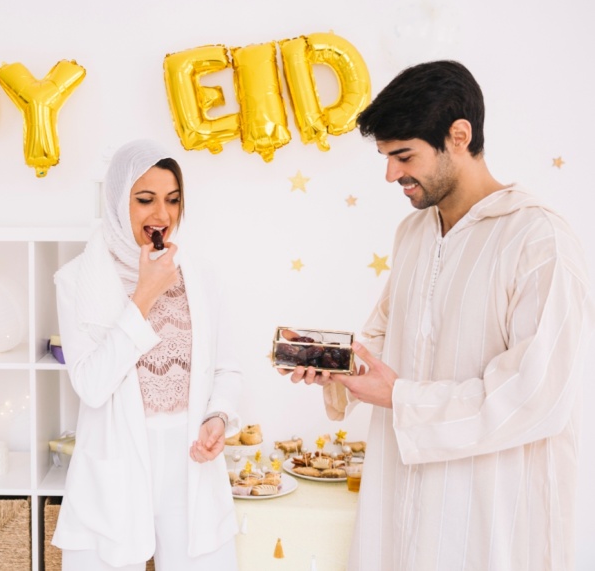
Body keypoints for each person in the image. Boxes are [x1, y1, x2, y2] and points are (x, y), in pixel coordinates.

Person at [284, 61, 594, 570]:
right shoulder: (414, 234)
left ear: (459, 136)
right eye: (386, 157)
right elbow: (384, 338)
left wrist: (402, 397)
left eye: (403, 155)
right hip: (401, 505)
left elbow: (537, 395)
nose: (391, 174)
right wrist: (336, 367)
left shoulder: (539, 241)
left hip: (489, 518)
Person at [52, 139, 241, 571]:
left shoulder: (200, 275)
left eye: (173, 200)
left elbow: (227, 368)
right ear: (118, 202)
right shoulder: (76, 280)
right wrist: (144, 296)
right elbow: (91, 385)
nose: (162, 215)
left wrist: (218, 416)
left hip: (190, 463)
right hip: (114, 468)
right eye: (145, 200)